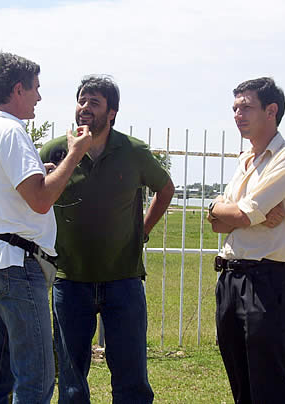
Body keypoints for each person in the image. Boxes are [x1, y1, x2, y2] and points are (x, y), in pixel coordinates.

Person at [0, 52, 92, 404]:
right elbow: (40, 200)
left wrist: (44, 171)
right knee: (35, 375)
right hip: (16, 264)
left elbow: (12, 190)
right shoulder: (11, 132)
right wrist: (75, 154)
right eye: (35, 88)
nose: (39, 96)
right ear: (18, 89)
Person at [40, 75, 175, 403]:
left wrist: (143, 230)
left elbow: (165, 189)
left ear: (112, 113)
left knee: (132, 379)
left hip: (123, 280)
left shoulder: (134, 152)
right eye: (81, 101)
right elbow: (35, 198)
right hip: (70, 280)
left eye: (95, 102)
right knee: (71, 381)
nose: (85, 108)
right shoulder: (56, 150)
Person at [208, 77, 285, 404]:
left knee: (267, 383)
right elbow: (218, 224)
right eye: (235, 108)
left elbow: (241, 216)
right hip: (230, 278)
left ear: (271, 110)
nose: (237, 115)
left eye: (246, 107)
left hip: (266, 279)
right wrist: (217, 208)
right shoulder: (245, 161)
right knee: (240, 380)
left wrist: (236, 212)